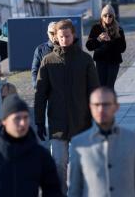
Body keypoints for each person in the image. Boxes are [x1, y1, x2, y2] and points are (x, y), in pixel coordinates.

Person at [35, 19, 100, 194]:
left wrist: (98, 119)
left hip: (82, 121)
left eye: (67, 36)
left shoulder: (85, 59)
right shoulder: (48, 61)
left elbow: (94, 91)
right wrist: (39, 121)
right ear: (55, 37)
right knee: (58, 165)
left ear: (74, 35)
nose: (64, 39)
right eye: (61, 36)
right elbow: (40, 94)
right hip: (57, 123)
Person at [0, 95, 63, 197]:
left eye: (25, 117)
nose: (22, 123)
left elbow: (53, 190)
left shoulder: (40, 154)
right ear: (4, 121)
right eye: (17, 118)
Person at [68, 87, 135, 197]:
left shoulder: (133, 139)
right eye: (96, 105)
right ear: (90, 107)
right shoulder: (79, 143)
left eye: (106, 104)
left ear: (116, 107)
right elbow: (75, 188)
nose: (101, 109)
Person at [86, 5, 127, 88]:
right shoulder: (96, 28)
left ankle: (109, 101)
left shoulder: (119, 29)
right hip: (100, 61)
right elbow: (89, 46)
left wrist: (110, 41)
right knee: (101, 85)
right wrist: (98, 39)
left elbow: (122, 48)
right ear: (102, 16)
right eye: (105, 15)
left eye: (110, 16)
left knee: (109, 86)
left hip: (114, 61)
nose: (108, 18)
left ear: (113, 17)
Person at [31, 22, 57, 89]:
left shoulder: (65, 48)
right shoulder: (40, 49)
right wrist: (36, 85)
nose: (54, 35)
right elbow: (35, 69)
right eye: (51, 33)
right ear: (47, 33)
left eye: (56, 32)